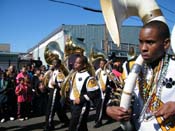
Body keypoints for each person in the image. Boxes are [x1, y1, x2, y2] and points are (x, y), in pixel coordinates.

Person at [106, 21, 175, 131]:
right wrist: (110, 109)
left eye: (150, 42)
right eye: (141, 42)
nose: (143, 48)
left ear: (166, 43)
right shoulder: (129, 67)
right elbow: (117, 97)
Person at [69, 55, 101, 131]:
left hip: (81, 105)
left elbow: (95, 92)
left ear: (84, 65)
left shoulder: (88, 77)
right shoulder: (74, 74)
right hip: (73, 104)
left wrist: (81, 99)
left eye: (78, 63)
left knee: (73, 127)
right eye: (75, 62)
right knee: (82, 126)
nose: (75, 64)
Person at [44, 58, 69, 131]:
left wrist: (56, 84)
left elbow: (62, 85)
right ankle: (66, 121)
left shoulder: (60, 73)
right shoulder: (53, 71)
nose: (53, 64)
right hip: (51, 90)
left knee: (50, 108)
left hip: (55, 90)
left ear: (58, 64)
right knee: (58, 109)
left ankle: (49, 125)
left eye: (55, 63)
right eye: (52, 63)